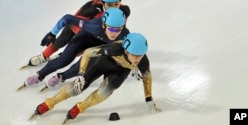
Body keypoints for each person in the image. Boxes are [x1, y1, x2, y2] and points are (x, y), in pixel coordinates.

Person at [31, 33, 161, 124]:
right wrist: (81, 74)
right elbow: (88, 52)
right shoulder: (115, 48)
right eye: (135, 55)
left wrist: (149, 98)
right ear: (126, 51)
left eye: (141, 55)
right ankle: (50, 103)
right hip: (102, 61)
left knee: (104, 93)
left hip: (120, 71)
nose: (138, 59)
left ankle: (81, 107)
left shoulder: (143, 61)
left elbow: (147, 77)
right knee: (77, 88)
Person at [21, 7, 129, 89]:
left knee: (83, 65)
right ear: (104, 25)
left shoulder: (124, 36)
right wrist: (52, 33)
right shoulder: (93, 25)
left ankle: (62, 77)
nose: (115, 33)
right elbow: (67, 18)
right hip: (85, 39)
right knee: (64, 59)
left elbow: (134, 51)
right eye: (112, 29)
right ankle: (39, 75)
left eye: (119, 29)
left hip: (99, 46)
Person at [28, 0, 130, 66]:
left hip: (93, 29)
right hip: (79, 24)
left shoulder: (124, 11)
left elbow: (118, 30)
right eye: (109, 5)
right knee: (63, 38)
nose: (113, 8)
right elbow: (69, 19)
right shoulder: (93, 10)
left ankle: (63, 55)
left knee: (88, 45)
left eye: (116, 4)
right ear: (103, 3)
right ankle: (44, 56)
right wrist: (52, 33)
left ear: (120, 1)